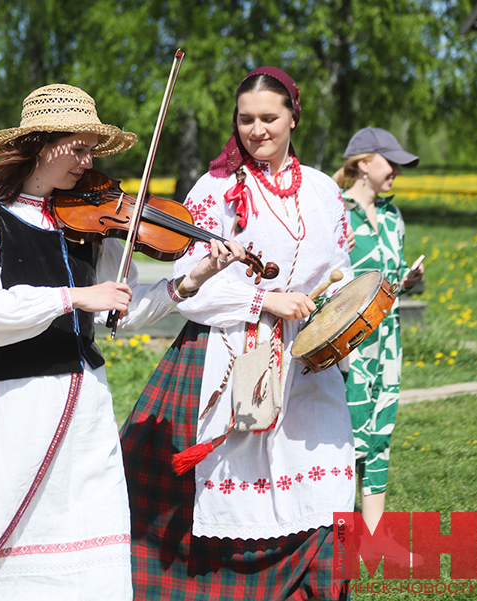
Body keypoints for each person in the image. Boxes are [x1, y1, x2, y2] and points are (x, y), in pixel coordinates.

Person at [0, 83, 245, 601]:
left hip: (87, 402)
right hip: (19, 403)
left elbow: (121, 307)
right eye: (79, 147)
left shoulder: (87, 223)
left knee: (92, 528)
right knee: (20, 532)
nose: (88, 162)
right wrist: (72, 296)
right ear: (43, 143)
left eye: (93, 149)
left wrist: (191, 279)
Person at [120, 67, 355, 600]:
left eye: (270, 118)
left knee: (324, 477)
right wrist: (262, 299)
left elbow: (340, 268)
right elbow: (192, 285)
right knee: (220, 491)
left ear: (294, 116)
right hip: (228, 349)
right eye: (246, 119)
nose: (258, 130)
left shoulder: (321, 190)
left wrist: (331, 315)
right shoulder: (218, 188)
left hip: (306, 359)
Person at [334, 127, 423, 536]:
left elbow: (389, 276)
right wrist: (342, 350)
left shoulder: (392, 216)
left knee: (381, 433)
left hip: (388, 345)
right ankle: (332, 536)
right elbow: (327, 286)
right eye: (392, 164)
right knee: (347, 440)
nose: (397, 173)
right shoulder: (336, 213)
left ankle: (373, 538)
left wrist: (408, 281)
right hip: (350, 347)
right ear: (364, 164)